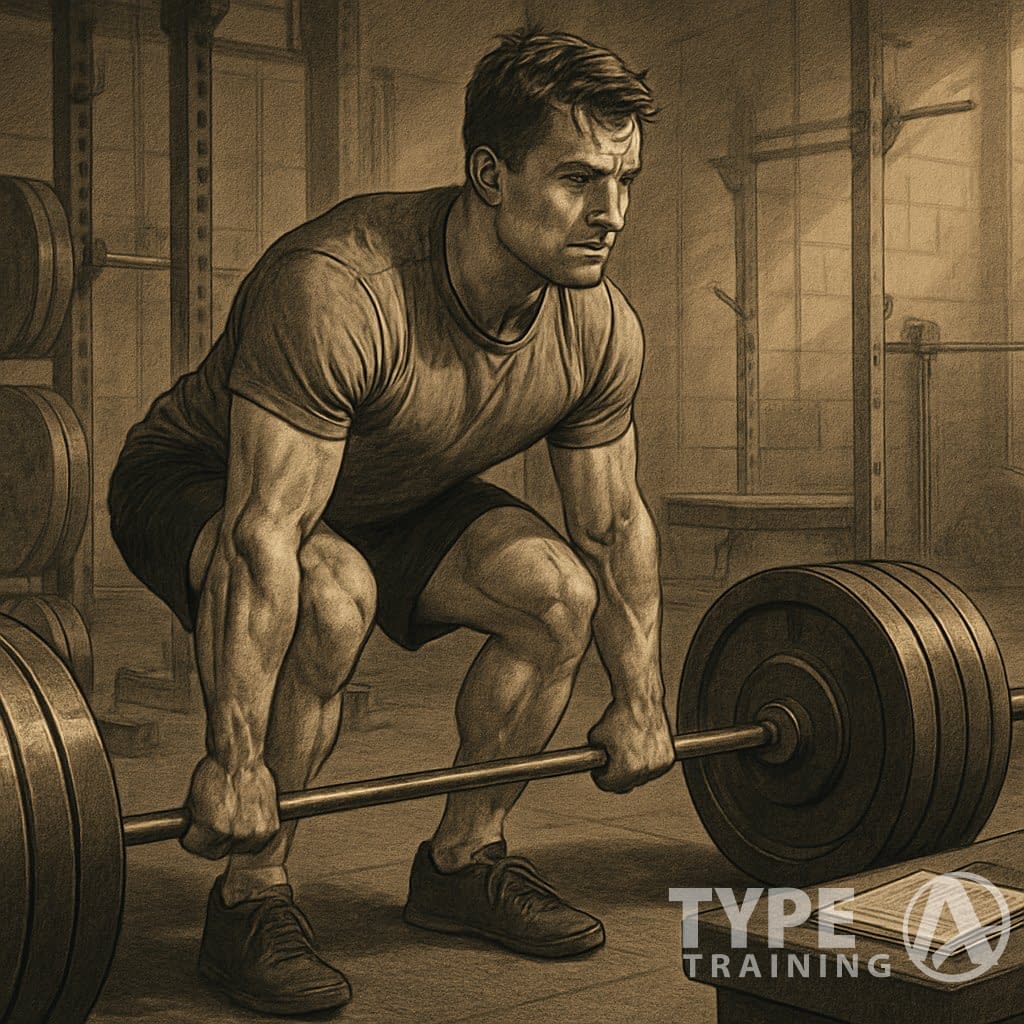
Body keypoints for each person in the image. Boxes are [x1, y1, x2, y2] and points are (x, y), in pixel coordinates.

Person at [108, 26, 675, 1017]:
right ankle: (250, 898)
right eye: (579, 179)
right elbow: (262, 537)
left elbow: (614, 522)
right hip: (203, 478)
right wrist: (233, 761)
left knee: (557, 598)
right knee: (330, 600)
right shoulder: (338, 289)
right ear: (488, 174)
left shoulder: (597, 325)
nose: (609, 214)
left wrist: (640, 699)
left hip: (392, 487)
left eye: (624, 182)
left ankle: (461, 863)